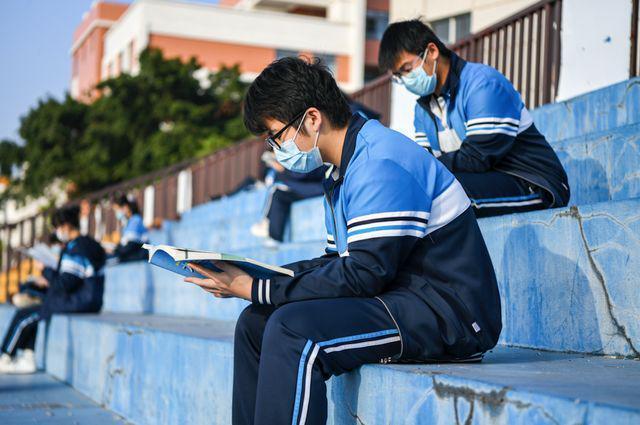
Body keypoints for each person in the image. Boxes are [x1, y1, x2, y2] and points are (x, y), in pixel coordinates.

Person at [183, 57, 502, 425]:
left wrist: (257, 288)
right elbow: (336, 261)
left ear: (312, 119)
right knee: (255, 323)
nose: (274, 148)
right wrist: (256, 277)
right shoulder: (340, 169)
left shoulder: (379, 162)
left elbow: (364, 274)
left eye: (276, 135)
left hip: (450, 316)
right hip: (400, 296)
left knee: (295, 331)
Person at [378, 19, 570, 217]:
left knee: (439, 196)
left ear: (432, 51)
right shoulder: (423, 111)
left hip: (534, 183)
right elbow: (426, 162)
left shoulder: (483, 84)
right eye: (398, 76)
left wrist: (424, 169)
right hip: (484, 179)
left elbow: (478, 157)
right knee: (411, 192)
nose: (406, 80)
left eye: (407, 69)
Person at [0, 205, 106, 374]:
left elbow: (65, 284)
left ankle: (5, 356)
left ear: (66, 226)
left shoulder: (77, 249)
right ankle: (27, 356)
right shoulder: (87, 243)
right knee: (32, 307)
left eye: (57, 227)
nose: (57, 231)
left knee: (24, 316)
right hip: (87, 299)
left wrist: (45, 270)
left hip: (78, 301)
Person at [110, 195, 148, 262]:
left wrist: (115, 251)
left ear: (125, 207)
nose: (116, 213)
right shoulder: (128, 223)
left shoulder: (136, 220)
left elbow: (131, 245)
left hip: (138, 256)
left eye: (117, 210)